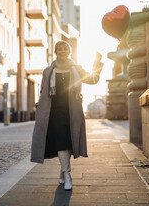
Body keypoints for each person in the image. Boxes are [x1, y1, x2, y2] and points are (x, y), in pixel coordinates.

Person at [31, 40, 103, 191]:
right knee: (62, 140)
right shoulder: (48, 71)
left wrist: (97, 65)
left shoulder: (77, 69)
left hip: (72, 110)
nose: (63, 51)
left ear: (69, 52)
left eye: (65, 49)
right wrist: (40, 106)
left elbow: (93, 80)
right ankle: (68, 174)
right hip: (54, 111)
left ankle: (62, 170)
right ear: (56, 52)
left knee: (70, 142)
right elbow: (43, 90)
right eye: (60, 49)